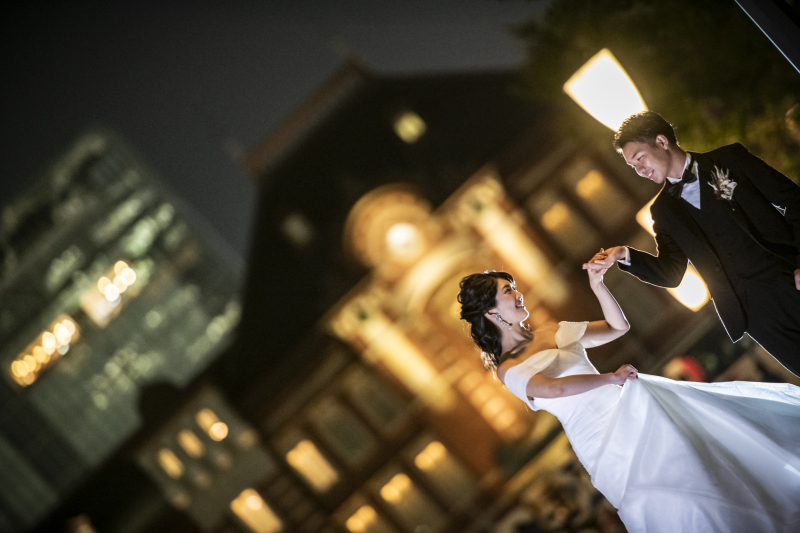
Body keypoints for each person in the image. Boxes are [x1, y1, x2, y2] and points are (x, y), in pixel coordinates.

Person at [457, 268, 800, 533]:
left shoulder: (549, 331)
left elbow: (616, 327)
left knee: (696, 466)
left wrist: (598, 286)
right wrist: (611, 377)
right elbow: (553, 389)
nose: (518, 295)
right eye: (508, 291)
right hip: (600, 441)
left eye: (514, 288)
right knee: (665, 496)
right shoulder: (507, 369)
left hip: (632, 413)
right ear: (490, 311)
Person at [585, 111, 800, 377]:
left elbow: (794, 201)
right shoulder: (663, 212)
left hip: (790, 276)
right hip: (754, 314)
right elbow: (670, 273)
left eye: (639, 158)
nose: (640, 170)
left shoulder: (729, 159)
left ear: (662, 142)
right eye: (633, 166)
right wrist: (622, 254)